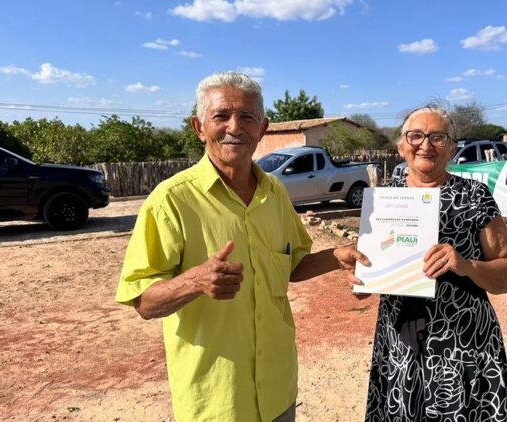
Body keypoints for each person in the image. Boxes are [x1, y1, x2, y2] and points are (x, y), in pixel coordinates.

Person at [115, 71, 366, 422]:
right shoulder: (170, 201)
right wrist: (194, 281)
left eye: (247, 117)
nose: (235, 127)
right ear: (199, 127)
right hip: (217, 400)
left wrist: (337, 255)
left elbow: (292, 266)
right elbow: (142, 301)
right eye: (221, 116)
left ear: (262, 128)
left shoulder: (275, 194)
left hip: (278, 388)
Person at [361, 104, 507, 421]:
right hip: (401, 344)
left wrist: (466, 265)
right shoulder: (384, 200)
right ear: (400, 145)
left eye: (437, 136)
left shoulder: (473, 196)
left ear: (452, 148)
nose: (425, 144)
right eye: (416, 135)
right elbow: (373, 264)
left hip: (463, 347)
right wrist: (365, 280)